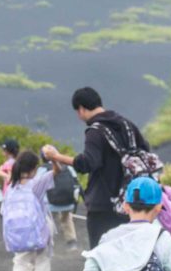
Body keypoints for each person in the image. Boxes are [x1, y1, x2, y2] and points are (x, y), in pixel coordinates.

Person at [45, 86, 154, 252]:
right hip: (133, 201)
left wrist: (56, 157)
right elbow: (145, 150)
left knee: (101, 255)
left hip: (104, 205)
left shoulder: (95, 131)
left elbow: (87, 163)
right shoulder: (127, 125)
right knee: (130, 255)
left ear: (81, 108)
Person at [0, 149, 55, 271]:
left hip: (19, 232)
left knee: (21, 256)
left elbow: (3, 211)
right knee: (42, 259)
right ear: (34, 169)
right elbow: (57, 172)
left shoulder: (12, 187)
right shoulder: (37, 184)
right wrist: (55, 159)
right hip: (40, 228)